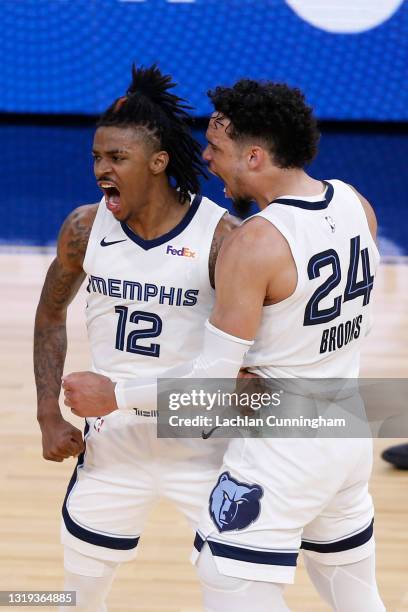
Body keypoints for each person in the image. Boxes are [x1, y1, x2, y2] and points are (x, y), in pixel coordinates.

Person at [64, 79, 385, 611]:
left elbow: (210, 388)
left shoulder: (254, 242)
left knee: (231, 585)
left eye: (217, 148)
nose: (207, 160)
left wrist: (114, 395)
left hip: (281, 447)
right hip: (347, 428)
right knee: (354, 595)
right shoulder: (355, 203)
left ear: (255, 156)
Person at [34, 64, 239, 612]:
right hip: (113, 443)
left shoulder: (221, 236)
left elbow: (251, 361)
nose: (101, 169)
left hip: (203, 445)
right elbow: (51, 312)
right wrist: (47, 414)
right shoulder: (84, 227)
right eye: (97, 158)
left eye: (116, 158)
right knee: (77, 596)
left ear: (158, 161)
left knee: (234, 590)